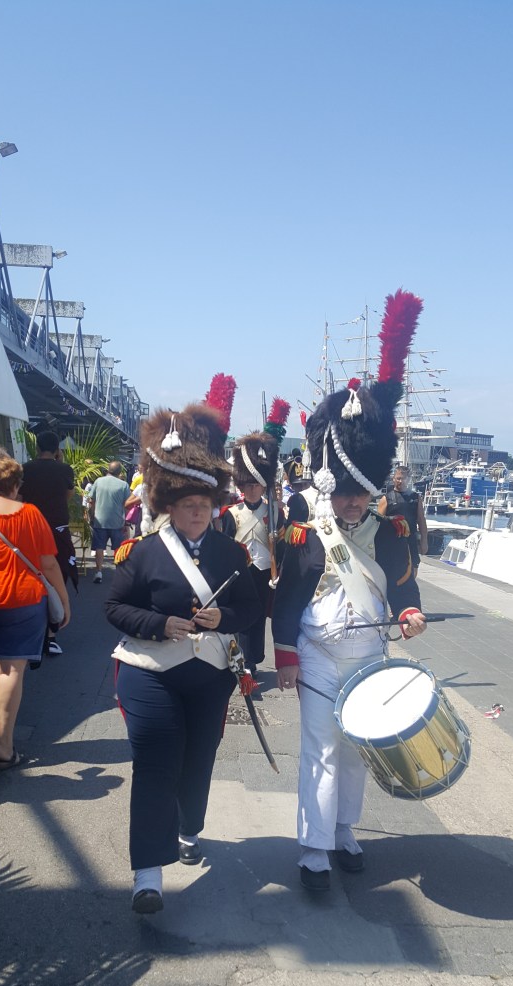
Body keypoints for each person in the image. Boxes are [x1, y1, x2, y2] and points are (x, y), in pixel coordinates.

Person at [272, 289, 428, 891]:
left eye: (360, 495)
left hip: (369, 652)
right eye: (344, 495)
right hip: (315, 650)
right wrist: (284, 654)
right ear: (329, 484)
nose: (352, 504)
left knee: (360, 746)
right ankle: (313, 848)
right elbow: (285, 594)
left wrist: (411, 614)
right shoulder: (304, 525)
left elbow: (405, 585)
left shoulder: (389, 528)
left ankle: (345, 832)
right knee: (319, 747)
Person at [105, 403, 260, 915]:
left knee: (198, 760)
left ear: (216, 504)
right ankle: (147, 873)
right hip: (150, 672)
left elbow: (255, 607)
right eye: (187, 503)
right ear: (168, 504)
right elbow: (114, 607)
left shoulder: (232, 556)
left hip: (209, 676)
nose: (197, 511)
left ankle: (190, 828)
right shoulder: (142, 554)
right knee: (155, 763)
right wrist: (158, 623)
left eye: (204, 503)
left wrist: (228, 619)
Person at [0, 450, 71, 769]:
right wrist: (63, 599)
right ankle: (6, 744)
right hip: (22, 600)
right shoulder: (30, 514)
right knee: (12, 670)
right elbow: (48, 563)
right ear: (16, 484)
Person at [220, 429, 285, 677]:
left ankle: (252, 661)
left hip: (264, 572)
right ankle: (239, 660)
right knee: (239, 619)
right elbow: (226, 545)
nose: (254, 490)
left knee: (257, 621)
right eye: (249, 485)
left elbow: (282, 544)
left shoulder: (275, 511)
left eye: (257, 485)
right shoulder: (232, 513)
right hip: (240, 573)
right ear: (242, 487)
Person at [20, 429, 78, 655]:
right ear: (57, 450)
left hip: (30, 526)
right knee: (57, 576)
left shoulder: (26, 468)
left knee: (31, 574)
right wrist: (60, 462)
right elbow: (69, 495)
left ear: (37, 448)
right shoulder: (64, 469)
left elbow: (21, 496)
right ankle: (51, 634)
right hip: (57, 527)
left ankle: (31, 629)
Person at [378, 464, 428, 574]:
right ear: (393, 479)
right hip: (392, 542)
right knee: (392, 574)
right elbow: (377, 523)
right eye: (398, 478)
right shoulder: (386, 498)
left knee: (412, 572)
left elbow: (421, 520)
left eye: (404, 478)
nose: (401, 481)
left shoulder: (415, 497)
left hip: (411, 541)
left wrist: (424, 540)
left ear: (408, 479)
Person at [87, 462, 131, 583]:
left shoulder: (98, 481)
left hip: (100, 520)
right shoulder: (124, 485)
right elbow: (127, 504)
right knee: (118, 548)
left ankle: (99, 572)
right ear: (119, 472)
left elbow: (92, 501)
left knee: (99, 547)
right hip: (117, 521)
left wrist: (91, 515)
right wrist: (126, 521)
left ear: (108, 470)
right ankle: (119, 573)